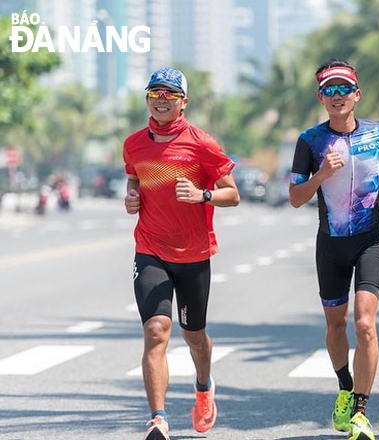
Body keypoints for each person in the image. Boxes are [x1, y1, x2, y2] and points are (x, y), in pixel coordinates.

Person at [289, 59, 379, 440]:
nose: (337, 97)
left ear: (357, 95)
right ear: (322, 98)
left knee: (365, 324)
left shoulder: (378, 131)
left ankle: (360, 409)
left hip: (370, 238)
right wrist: (321, 174)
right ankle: (344, 386)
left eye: (344, 90)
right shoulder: (310, 141)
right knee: (335, 325)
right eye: (329, 90)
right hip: (332, 244)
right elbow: (294, 197)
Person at [123, 67, 239, 440]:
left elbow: (233, 194)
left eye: (169, 94)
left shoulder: (202, 144)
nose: (161, 99)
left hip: (193, 254)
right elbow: (134, 175)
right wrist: (132, 194)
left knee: (194, 336)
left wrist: (203, 195)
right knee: (156, 331)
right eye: (155, 92)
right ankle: (158, 418)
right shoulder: (134, 143)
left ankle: (204, 386)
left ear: (183, 102)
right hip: (150, 249)